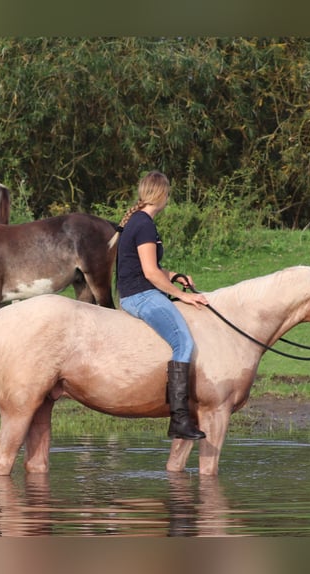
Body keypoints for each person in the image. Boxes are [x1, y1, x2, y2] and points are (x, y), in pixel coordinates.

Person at [115, 170, 208, 440]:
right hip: (140, 296)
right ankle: (179, 419)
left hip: (138, 291)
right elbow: (150, 273)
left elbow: (155, 269)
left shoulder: (138, 220)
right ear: (162, 194)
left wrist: (176, 277)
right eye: (168, 192)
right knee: (184, 343)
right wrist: (184, 296)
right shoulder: (144, 224)